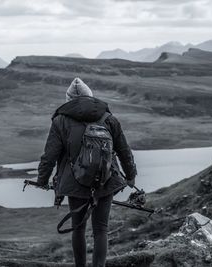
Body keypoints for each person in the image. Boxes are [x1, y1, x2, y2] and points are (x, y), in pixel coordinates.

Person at [37, 77, 137, 267]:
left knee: (78, 228)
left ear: (68, 100)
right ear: (90, 97)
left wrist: (42, 180)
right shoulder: (108, 118)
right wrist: (130, 175)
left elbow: (49, 156)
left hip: (76, 184)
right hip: (106, 181)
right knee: (101, 229)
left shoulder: (60, 121)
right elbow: (124, 150)